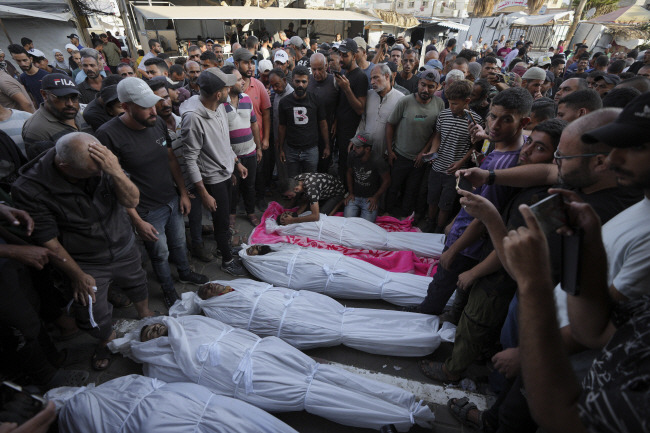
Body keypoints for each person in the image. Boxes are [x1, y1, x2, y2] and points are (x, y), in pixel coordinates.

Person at [488, 98, 650, 433]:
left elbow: (562, 416)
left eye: (636, 147)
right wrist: (586, 244)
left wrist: (533, 283)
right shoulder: (640, 204)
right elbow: (591, 328)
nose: (614, 160)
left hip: (577, 384)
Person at [422, 118, 565, 386]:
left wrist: (475, 269)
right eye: (530, 141)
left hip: (502, 277)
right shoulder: (524, 179)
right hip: (494, 263)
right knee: (470, 317)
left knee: (476, 321)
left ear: (557, 159)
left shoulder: (542, 199)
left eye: (539, 148)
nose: (527, 150)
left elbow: (512, 250)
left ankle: (453, 370)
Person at [11, 132, 156, 370]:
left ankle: (145, 312)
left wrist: (115, 171)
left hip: (123, 243)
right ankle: (105, 340)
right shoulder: (30, 188)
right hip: (85, 260)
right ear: (65, 167)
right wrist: (77, 275)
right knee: (91, 309)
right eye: (92, 172)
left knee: (137, 280)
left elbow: (130, 201)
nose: (100, 175)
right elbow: (49, 240)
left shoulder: (102, 160)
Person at [411, 87, 534, 315]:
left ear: (523, 121)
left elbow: (483, 216)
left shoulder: (504, 165)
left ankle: (423, 318)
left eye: (506, 120)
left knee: (441, 286)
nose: (495, 126)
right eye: (493, 116)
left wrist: (453, 249)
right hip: (465, 233)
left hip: (468, 245)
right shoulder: (507, 150)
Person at [95, 78, 207, 308]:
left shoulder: (156, 123)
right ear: (125, 107)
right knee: (160, 253)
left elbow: (170, 159)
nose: (152, 110)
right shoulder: (108, 135)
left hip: (171, 199)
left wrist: (183, 194)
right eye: (144, 106)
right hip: (146, 210)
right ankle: (167, 289)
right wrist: (136, 219)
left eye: (152, 103)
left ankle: (184, 273)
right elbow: (114, 183)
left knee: (178, 244)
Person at [174, 278, 440, 357]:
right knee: (346, 328)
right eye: (208, 291)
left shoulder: (238, 285)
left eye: (210, 284)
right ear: (208, 299)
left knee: (351, 316)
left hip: (300, 306)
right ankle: (417, 336)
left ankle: (417, 324)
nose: (212, 287)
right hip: (290, 319)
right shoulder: (221, 307)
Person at [181, 68, 248, 277]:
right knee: (220, 221)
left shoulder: (219, 106)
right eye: (227, 87)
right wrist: (204, 193)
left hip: (226, 171)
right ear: (218, 93)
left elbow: (222, 140)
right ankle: (227, 261)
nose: (231, 89)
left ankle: (223, 248)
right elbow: (190, 159)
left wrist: (235, 162)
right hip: (212, 179)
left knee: (225, 217)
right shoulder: (193, 119)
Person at [424, 79, 484, 233]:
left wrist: (460, 163)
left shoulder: (476, 121)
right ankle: (429, 223)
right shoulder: (444, 114)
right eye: (449, 103)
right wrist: (433, 152)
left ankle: (438, 229)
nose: (451, 107)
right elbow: (437, 135)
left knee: (446, 204)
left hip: (455, 172)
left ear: (467, 101)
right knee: (432, 198)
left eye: (455, 104)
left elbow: (474, 148)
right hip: (437, 167)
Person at [385, 68, 444, 217]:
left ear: (437, 87)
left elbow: (436, 132)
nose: (426, 89)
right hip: (400, 155)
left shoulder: (439, 104)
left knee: (411, 190)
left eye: (431, 86)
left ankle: (403, 219)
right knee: (393, 187)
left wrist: (423, 153)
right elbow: (390, 124)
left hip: (419, 159)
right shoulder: (405, 101)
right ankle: (387, 215)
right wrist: (390, 151)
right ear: (418, 84)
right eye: (423, 85)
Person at [220, 64, 262, 229]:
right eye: (238, 80)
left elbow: (254, 125)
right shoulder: (221, 105)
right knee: (233, 187)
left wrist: (258, 147)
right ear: (228, 84)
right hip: (231, 157)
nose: (243, 82)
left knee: (249, 186)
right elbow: (221, 137)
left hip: (250, 152)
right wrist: (234, 159)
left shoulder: (246, 99)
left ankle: (250, 212)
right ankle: (232, 214)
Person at [234, 48, 271, 211]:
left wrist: (265, 139)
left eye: (252, 63)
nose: (250, 67)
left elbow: (266, 113)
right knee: (238, 176)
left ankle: (260, 198)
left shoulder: (259, 86)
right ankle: (243, 203)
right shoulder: (231, 88)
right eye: (246, 63)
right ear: (236, 64)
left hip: (257, 141)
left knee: (259, 174)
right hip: (236, 145)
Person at [21, 73, 91, 159]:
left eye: (74, 97)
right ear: (44, 95)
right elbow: (45, 167)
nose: (70, 103)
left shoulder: (72, 112)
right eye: (61, 97)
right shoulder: (36, 130)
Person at [278, 65, 329, 178]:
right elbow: (282, 127)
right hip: (291, 149)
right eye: (297, 81)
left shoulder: (316, 100)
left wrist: (327, 145)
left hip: (311, 150)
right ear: (292, 80)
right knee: (293, 181)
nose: (300, 85)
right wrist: (281, 149)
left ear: (308, 81)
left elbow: (323, 124)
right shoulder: (284, 102)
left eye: (304, 81)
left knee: (310, 183)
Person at [334, 39, 368, 186]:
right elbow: (340, 103)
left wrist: (347, 89)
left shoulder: (360, 77)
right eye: (340, 55)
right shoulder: (343, 73)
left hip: (351, 133)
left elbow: (360, 109)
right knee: (341, 164)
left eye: (345, 55)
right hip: (340, 129)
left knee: (349, 167)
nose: (341, 59)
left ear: (354, 56)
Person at [356, 63, 402, 157]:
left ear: (387, 76)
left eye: (376, 77)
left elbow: (400, 131)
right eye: (371, 79)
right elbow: (362, 122)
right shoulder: (368, 95)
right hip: (365, 153)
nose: (372, 82)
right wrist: (358, 141)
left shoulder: (401, 99)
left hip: (386, 155)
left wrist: (389, 152)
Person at [343, 132, 390, 222]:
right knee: (347, 223)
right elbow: (349, 173)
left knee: (366, 227)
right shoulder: (352, 155)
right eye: (354, 145)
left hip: (369, 199)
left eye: (358, 147)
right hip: (355, 197)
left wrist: (376, 197)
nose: (354, 149)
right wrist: (351, 192)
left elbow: (387, 181)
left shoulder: (378, 161)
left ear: (367, 149)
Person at [306, 52, 338, 172]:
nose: (316, 73)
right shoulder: (307, 81)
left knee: (325, 162)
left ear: (326, 66)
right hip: (311, 131)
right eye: (314, 69)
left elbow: (341, 105)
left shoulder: (334, 81)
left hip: (329, 130)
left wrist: (336, 121)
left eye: (320, 69)